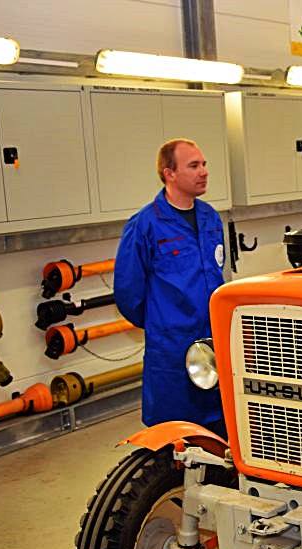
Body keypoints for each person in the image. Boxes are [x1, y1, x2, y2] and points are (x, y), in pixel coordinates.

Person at [114, 138, 227, 438]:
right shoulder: (145, 225)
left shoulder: (211, 218)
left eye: (204, 164)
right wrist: (162, 323)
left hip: (213, 339)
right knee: (175, 432)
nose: (204, 171)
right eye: (194, 166)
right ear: (170, 173)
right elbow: (128, 293)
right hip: (172, 347)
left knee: (219, 428)